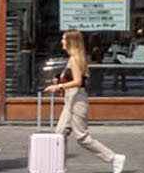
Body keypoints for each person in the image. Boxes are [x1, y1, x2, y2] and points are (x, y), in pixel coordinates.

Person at [48, 30, 128, 173]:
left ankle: (114, 158)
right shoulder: (72, 58)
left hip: (77, 99)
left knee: (81, 136)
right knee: (60, 133)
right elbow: (72, 78)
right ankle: (58, 166)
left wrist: (58, 86)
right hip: (71, 98)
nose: (62, 42)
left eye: (64, 39)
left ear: (72, 42)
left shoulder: (75, 59)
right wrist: (59, 79)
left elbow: (78, 82)